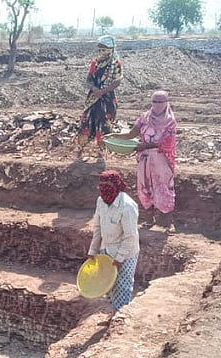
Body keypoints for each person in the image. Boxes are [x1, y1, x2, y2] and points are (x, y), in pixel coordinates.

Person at [113, 90, 177, 231]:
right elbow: (132, 134)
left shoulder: (170, 121)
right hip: (145, 159)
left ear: (166, 103)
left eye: (160, 102)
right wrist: (115, 136)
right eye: (154, 101)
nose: (157, 104)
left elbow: (167, 142)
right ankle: (149, 220)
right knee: (144, 187)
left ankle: (168, 223)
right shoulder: (144, 118)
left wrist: (145, 146)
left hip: (161, 159)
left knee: (164, 187)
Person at [86, 170, 139, 314]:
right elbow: (97, 227)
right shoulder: (101, 201)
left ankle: (120, 318)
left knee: (122, 287)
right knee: (108, 286)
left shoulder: (127, 206)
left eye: (107, 185)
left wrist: (119, 258)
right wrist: (93, 250)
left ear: (116, 185)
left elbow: (130, 236)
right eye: (101, 185)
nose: (104, 188)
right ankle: (113, 315)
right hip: (106, 250)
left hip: (125, 254)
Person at [77, 35, 123, 160]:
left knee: (104, 122)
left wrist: (103, 91)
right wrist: (94, 89)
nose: (102, 52)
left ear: (111, 49)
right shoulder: (95, 63)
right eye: (100, 49)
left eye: (104, 49)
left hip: (107, 98)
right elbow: (89, 80)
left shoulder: (115, 64)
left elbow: (117, 81)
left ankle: (103, 151)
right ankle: (81, 148)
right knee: (86, 119)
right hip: (93, 96)